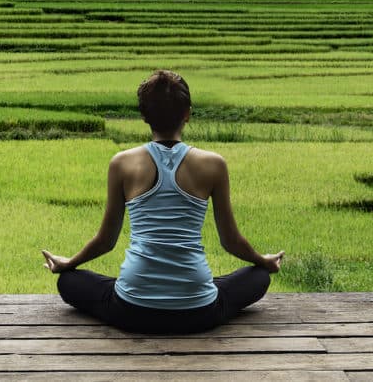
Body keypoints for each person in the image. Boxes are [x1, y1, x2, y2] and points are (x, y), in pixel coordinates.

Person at [41, 70, 284, 334]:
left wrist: (69, 264)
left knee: (69, 281)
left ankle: (149, 288)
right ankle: (191, 287)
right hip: (199, 312)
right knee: (258, 276)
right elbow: (231, 242)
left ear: (144, 116)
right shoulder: (213, 164)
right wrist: (263, 261)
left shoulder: (122, 163)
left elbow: (105, 241)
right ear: (187, 113)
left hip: (132, 310)